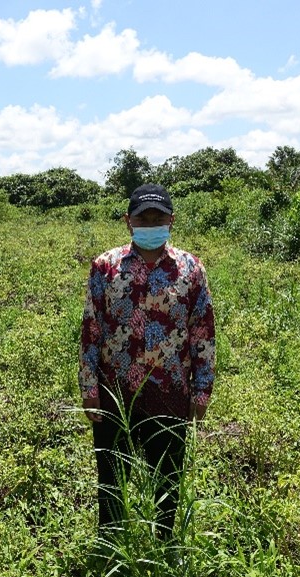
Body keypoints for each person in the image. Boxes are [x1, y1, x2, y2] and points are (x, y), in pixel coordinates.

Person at [79, 183, 215, 539]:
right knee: (111, 475)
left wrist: (202, 390)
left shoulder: (190, 269)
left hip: (170, 392)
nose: (151, 223)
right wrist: (89, 386)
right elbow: (91, 329)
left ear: (171, 221)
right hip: (115, 393)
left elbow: (202, 331)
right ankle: (110, 541)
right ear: (129, 221)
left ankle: (164, 541)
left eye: (158, 217)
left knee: (167, 476)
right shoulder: (105, 267)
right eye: (143, 218)